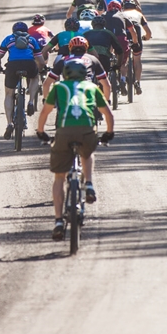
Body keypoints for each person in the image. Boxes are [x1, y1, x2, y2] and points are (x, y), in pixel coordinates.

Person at [36, 60, 115, 240]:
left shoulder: (58, 87)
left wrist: (41, 132)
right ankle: (89, 184)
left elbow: (45, 112)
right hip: (87, 130)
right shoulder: (92, 87)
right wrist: (109, 133)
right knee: (87, 153)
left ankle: (58, 221)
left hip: (64, 131)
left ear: (65, 73)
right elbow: (108, 114)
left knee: (59, 177)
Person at [0, 21, 41, 140]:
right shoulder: (32, 40)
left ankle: (9, 123)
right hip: (29, 64)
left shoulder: (8, 39)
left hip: (12, 66)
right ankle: (31, 102)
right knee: (35, 77)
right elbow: (40, 59)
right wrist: (41, 68)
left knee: (9, 94)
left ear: (13, 31)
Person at [42, 35, 109, 100]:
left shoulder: (63, 60)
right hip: (87, 88)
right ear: (86, 48)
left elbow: (46, 84)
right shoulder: (93, 59)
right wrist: (107, 101)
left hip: (67, 90)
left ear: (70, 48)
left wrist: (45, 100)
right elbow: (107, 85)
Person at [120, 0, 153, 94]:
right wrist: (146, 38)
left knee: (124, 59)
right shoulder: (139, 14)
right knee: (137, 59)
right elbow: (148, 32)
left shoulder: (121, 14)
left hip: (125, 36)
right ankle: (137, 82)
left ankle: (122, 80)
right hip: (136, 36)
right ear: (135, 7)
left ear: (123, 7)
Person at [82, 15, 126, 80]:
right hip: (104, 59)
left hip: (89, 59)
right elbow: (120, 51)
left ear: (92, 25)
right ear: (104, 25)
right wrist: (118, 65)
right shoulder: (109, 33)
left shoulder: (85, 34)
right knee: (104, 77)